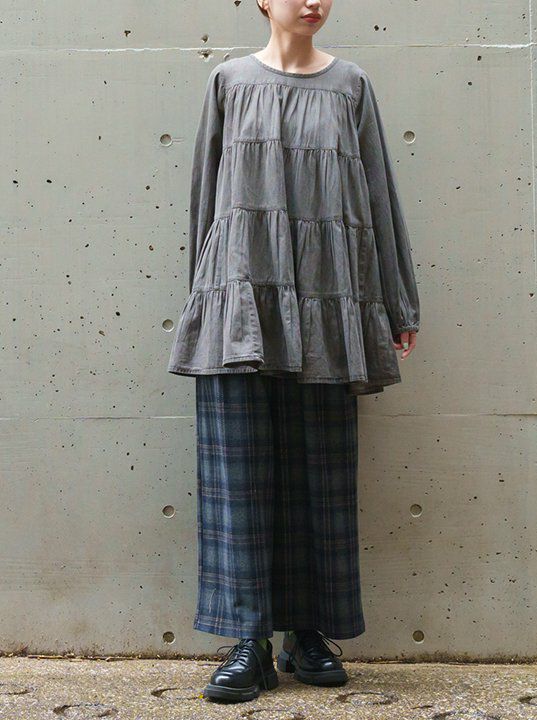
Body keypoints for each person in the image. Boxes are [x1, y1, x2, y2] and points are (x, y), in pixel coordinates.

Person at [167, 0, 420, 704]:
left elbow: (378, 194)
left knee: (321, 473)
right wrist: (207, 306)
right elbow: (205, 199)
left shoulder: (351, 86)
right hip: (242, 300)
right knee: (237, 475)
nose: (312, 1)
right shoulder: (228, 81)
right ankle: (247, 641)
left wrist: (397, 303)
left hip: (329, 302)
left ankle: (307, 634)